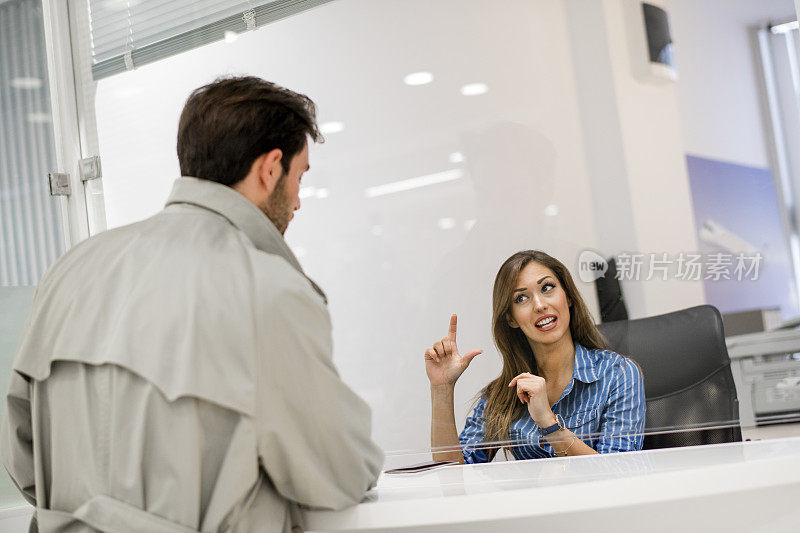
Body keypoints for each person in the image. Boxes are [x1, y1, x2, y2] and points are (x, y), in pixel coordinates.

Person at [1, 76, 383, 532]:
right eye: (299, 177)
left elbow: (21, 453)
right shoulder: (266, 287)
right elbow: (338, 472)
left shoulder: (69, 270)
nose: (298, 200)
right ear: (270, 168)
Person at [426, 250, 644, 462]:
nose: (540, 305)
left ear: (567, 296)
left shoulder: (617, 374)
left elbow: (620, 473)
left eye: (547, 288)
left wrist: (548, 423)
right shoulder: (503, 394)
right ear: (511, 319)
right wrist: (441, 388)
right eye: (521, 298)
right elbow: (453, 474)